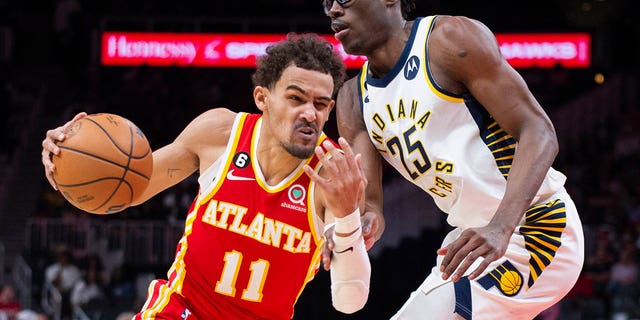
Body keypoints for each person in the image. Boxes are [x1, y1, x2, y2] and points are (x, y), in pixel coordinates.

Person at [41, 33, 371, 319]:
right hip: (181, 311)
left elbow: (349, 302)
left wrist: (346, 219)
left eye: (320, 104)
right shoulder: (220, 134)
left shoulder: (333, 174)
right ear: (262, 98)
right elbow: (129, 191)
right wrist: (66, 165)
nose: (309, 113)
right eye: (296, 98)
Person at [322, 0, 585, 319]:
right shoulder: (352, 98)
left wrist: (501, 227)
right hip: (469, 240)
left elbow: (539, 131)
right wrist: (362, 223)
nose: (333, 10)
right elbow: (372, 204)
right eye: (327, 3)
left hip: (536, 226)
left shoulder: (447, 39)